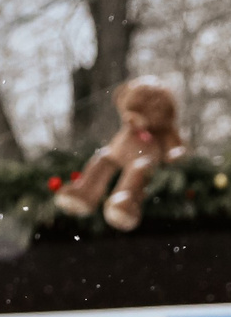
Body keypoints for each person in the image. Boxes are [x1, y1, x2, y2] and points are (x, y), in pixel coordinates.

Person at [53, 80, 186, 231]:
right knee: (101, 159)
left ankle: (124, 202)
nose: (130, 118)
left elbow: (175, 147)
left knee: (138, 169)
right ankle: (83, 193)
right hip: (116, 155)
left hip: (143, 159)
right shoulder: (128, 130)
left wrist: (174, 156)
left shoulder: (162, 133)